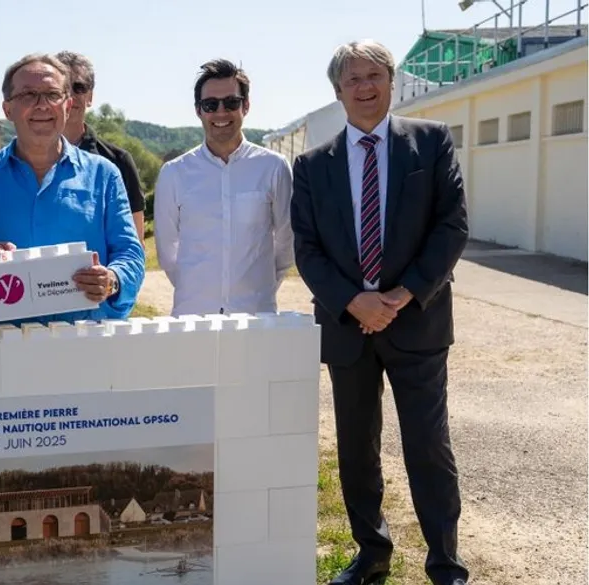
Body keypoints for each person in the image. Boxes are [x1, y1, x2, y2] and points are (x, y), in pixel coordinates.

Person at [290, 40, 470, 585]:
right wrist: (354, 300)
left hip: (417, 320)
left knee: (428, 447)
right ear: (337, 90)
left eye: (374, 76)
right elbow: (307, 248)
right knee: (355, 452)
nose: (364, 88)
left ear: (392, 81)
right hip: (348, 329)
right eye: (353, 80)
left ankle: (445, 565)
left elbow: (451, 226)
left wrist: (402, 295)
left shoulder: (431, 143)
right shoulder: (312, 165)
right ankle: (372, 555)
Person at [0, 53, 144, 324]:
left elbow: (129, 252)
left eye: (52, 94)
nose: (42, 105)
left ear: (68, 104)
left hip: (90, 340)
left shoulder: (104, 175)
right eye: (28, 95)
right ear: (7, 109)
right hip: (5, 346)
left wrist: (113, 280)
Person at [153, 59, 293, 317]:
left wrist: (258, 290)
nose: (221, 112)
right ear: (198, 110)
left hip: (255, 315)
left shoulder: (274, 167)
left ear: (246, 106)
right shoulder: (174, 173)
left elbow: (286, 242)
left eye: (231, 102)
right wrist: (199, 290)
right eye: (210, 105)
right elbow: (167, 251)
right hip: (192, 316)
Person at [56, 50, 147, 242]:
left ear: (90, 96)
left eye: (79, 87)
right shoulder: (28, 159)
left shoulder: (118, 161)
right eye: (63, 87)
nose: (70, 95)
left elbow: (134, 242)